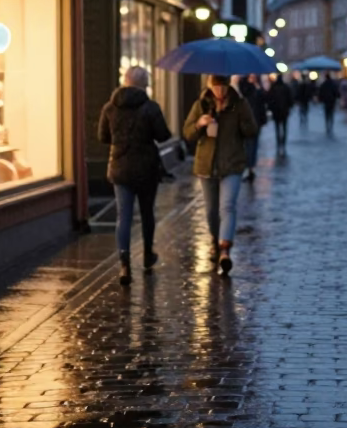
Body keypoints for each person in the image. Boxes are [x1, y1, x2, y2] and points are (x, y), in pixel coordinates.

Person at [98, 66, 171, 287]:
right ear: (143, 83)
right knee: (147, 213)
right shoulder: (150, 107)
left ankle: (124, 263)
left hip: (119, 169)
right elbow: (163, 136)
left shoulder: (110, 108)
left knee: (123, 216)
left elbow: (102, 137)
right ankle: (148, 254)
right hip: (146, 168)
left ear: (125, 81)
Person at [183, 74, 258, 275]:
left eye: (223, 87)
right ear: (210, 86)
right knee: (210, 211)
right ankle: (215, 242)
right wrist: (200, 123)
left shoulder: (238, 104)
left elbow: (252, 130)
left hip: (232, 164)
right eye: (216, 87)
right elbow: (187, 133)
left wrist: (241, 120)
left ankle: (225, 250)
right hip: (206, 165)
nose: (220, 92)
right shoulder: (201, 104)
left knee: (227, 206)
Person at [239, 74, 267, 181]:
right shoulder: (246, 88)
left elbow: (262, 103)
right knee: (248, 145)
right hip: (248, 121)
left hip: (256, 121)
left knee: (253, 145)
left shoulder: (257, 88)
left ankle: (251, 168)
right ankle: (248, 168)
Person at [267, 73, 294, 155]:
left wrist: (271, 108)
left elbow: (270, 99)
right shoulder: (286, 87)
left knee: (277, 128)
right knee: (284, 127)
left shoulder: (273, 87)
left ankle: (279, 141)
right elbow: (290, 99)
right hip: (284, 111)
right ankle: (283, 142)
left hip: (276, 111)